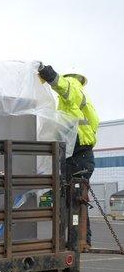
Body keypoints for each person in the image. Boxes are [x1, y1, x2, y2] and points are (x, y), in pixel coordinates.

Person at [39, 64, 99, 251]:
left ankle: (77, 240)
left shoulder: (73, 90)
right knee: (75, 198)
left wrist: (50, 76)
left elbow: (65, 87)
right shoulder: (85, 103)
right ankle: (79, 240)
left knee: (71, 198)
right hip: (81, 154)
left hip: (77, 154)